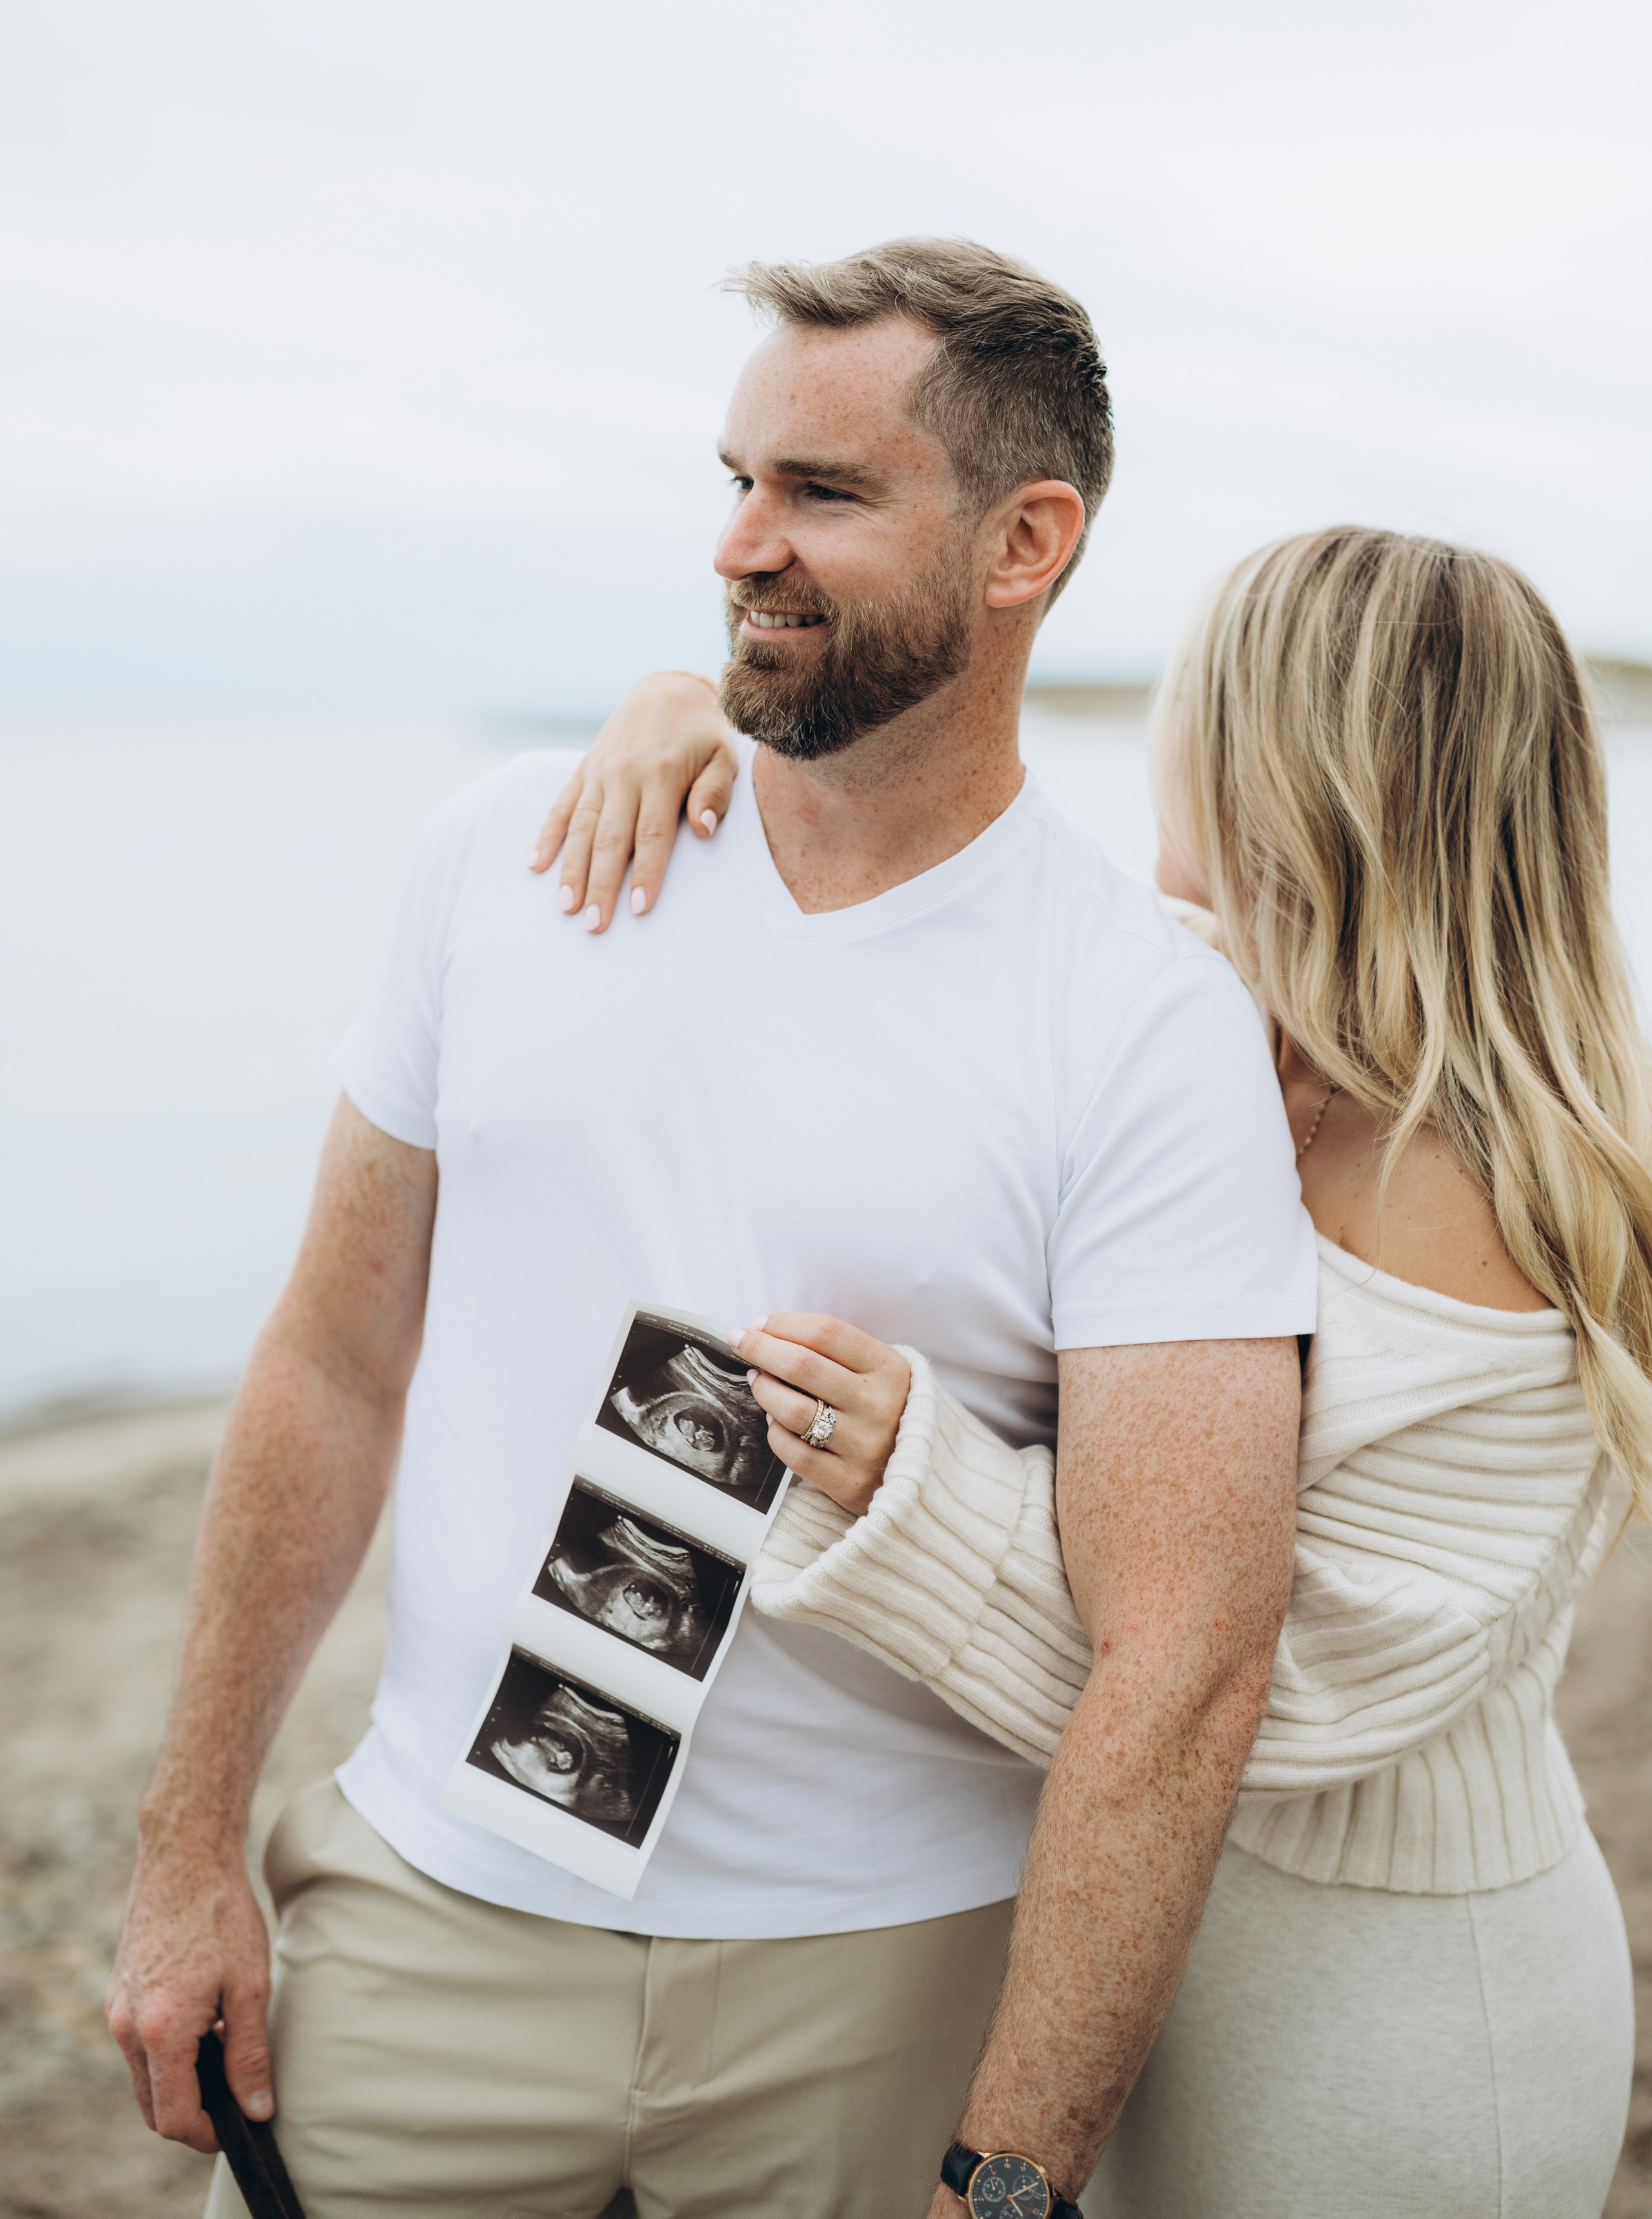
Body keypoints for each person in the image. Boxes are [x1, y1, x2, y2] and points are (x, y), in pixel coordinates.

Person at [105, 239, 1318, 2219]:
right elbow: (331, 1362)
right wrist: (185, 1850)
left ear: (1024, 544)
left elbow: (1185, 1657)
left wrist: (1013, 2172)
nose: (742, 544)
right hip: (432, 1914)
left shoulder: (1142, 1018)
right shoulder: (507, 858)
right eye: (738, 479)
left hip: (884, 1968)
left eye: (822, 492)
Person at [546, 525, 1642, 2216]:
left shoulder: (1498, 1188)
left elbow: (1272, 1684)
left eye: (1191, 706)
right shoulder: (1210, 1013)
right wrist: (692, 719)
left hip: (1387, 2011)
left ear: (1282, 774)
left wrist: (920, 1492)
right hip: (1134, 1929)